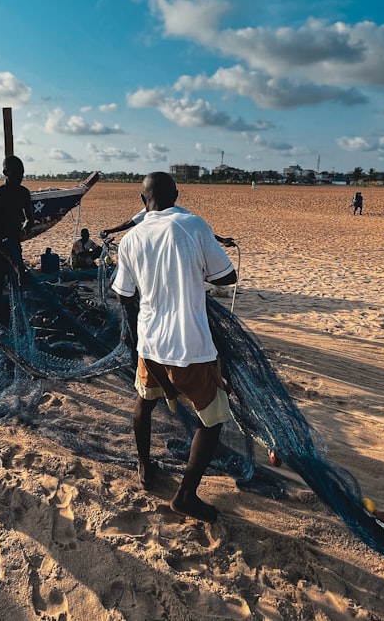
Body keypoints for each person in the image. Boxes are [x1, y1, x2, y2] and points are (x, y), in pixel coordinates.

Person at [111, 171, 237, 523]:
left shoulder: (131, 239)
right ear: (177, 194)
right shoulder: (193, 226)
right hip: (190, 345)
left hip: (149, 343)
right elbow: (227, 277)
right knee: (213, 420)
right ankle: (185, 496)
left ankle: (144, 466)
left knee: (144, 403)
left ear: (141, 201)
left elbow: (123, 293)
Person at [0, 155, 34, 325]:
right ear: (5, 172)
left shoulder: (23, 193)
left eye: (22, 174)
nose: (20, 178)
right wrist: (15, 263)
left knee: (18, 292)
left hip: (15, 247)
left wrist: (25, 229)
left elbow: (30, 218)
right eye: (16, 174)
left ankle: (14, 329)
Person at [102, 208, 237, 247]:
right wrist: (221, 240)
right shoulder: (183, 212)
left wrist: (222, 240)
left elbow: (129, 223)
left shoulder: (149, 209)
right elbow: (201, 229)